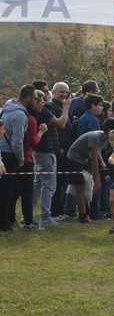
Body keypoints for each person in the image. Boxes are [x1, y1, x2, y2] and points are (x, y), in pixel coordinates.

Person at [65, 119, 114, 224]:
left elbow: (97, 152)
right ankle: (82, 216)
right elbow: (94, 160)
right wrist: (97, 179)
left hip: (83, 160)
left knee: (87, 186)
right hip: (74, 159)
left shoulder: (104, 138)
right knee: (80, 187)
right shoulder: (95, 137)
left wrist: (102, 163)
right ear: (109, 130)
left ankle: (88, 213)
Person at [33, 82, 70, 228]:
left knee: (37, 185)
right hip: (45, 151)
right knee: (49, 186)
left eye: (67, 93)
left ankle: (28, 216)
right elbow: (61, 124)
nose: (45, 96)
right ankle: (46, 217)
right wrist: (66, 109)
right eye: (44, 93)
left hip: (42, 151)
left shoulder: (42, 108)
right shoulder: (47, 108)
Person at [0, 85, 35, 231]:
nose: (35, 101)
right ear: (27, 97)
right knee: (7, 191)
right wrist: (20, 159)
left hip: (2, 153)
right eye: (34, 98)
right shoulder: (20, 115)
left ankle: (7, 220)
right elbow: (17, 141)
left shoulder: (5, 109)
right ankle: (4, 223)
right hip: (9, 155)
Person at [14, 90, 48, 229]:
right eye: (40, 101)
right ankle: (28, 221)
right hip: (26, 158)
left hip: (17, 157)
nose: (42, 104)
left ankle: (12, 219)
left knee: (15, 191)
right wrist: (41, 132)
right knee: (27, 192)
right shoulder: (31, 119)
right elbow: (31, 142)